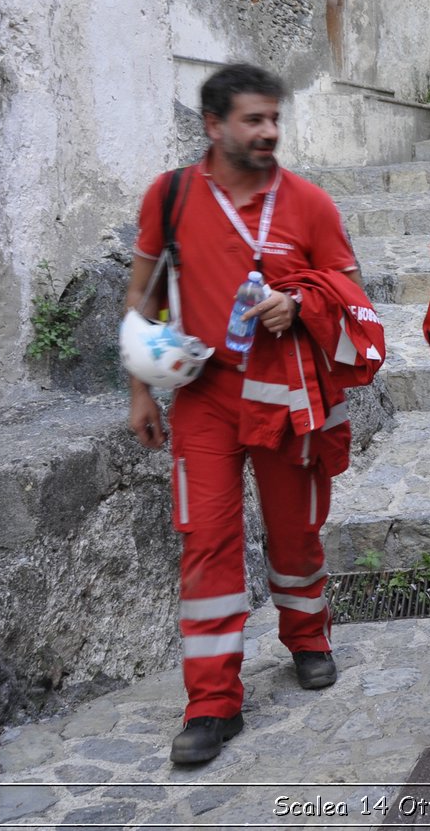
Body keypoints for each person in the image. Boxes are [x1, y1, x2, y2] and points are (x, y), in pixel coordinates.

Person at [124, 64, 372, 765]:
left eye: (273, 119)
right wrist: (141, 388)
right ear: (213, 125)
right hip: (203, 394)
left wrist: (303, 304)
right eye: (253, 120)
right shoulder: (169, 196)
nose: (269, 132)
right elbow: (142, 294)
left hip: (285, 396)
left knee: (295, 530)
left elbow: (351, 292)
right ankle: (211, 700)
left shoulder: (309, 204)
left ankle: (307, 635)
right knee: (206, 542)